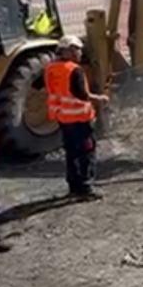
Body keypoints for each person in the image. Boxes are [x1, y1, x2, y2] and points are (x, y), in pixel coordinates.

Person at [44, 35, 108, 200]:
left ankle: (74, 186)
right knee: (87, 152)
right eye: (78, 50)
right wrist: (100, 98)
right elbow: (82, 95)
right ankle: (86, 188)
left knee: (71, 153)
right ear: (71, 50)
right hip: (79, 119)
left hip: (63, 119)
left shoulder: (51, 68)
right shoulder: (74, 70)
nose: (80, 53)